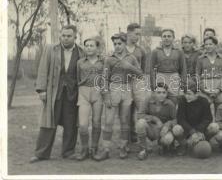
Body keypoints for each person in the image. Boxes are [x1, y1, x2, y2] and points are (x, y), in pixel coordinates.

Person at [30, 25, 84, 163]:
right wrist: (41, 90)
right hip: (54, 92)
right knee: (48, 122)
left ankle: (68, 151)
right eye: (63, 35)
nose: (65, 38)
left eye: (69, 36)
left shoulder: (81, 52)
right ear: (60, 36)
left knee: (71, 123)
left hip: (73, 94)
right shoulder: (50, 49)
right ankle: (41, 153)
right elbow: (43, 69)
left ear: (75, 37)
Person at [94, 33, 143, 161]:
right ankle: (106, 149)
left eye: (119, 43)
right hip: (113, 88)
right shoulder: (109, 59)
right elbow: (104, 78)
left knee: (125, 121)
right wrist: (106, 95)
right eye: (115, 44)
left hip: (127, 89)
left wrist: (130, 67)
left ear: (125, 43)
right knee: (109, 121)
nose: (117, 46)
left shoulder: (131, 58)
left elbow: (140, 74)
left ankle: (123, 147)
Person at [136, 82, 183, 160]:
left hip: (163, 130)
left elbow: (175, 119)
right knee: (140, 123)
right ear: (154, 93)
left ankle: (164, 145)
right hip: (151, 128)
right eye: (158, 92)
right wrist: (155, 119)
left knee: (168, 139)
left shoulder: (170, 104)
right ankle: (143, 149)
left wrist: (167, 125)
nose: (161, 95)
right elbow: (139, 115)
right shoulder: (147, 100)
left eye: (164, 93)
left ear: (167, 94)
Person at [75, 37, 104, 161]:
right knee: (83, 124)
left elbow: (106, 77)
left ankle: (94, 149)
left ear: (97, 48)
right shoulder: (80, 62)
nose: (89, 48)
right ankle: (84, 149)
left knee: (96, 122)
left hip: (98, 92)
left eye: (92, 46)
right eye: (86, 46)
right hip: (84, 92)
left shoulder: (103, 62)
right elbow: (77, 78)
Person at [125, 23, 149, 143]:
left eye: (139, 34)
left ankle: (142, 136)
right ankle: (129, 137)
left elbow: (143, 69)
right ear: (128, 33)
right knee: (126, 110)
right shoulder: (121, 47)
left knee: (141, 108)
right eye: (136, 34)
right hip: (124, 83)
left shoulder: (141, 51)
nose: (138, 37)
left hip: (137, 82)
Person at [150, 29, 187, 104]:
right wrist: (153, 85)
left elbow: (183, 69)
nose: (166, 38)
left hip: (174, 77)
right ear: (161, 38)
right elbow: (152, 69)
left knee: (174, 100)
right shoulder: (156, 51)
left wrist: (182, 85)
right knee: (160, 101)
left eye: (169, 36)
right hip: (161, 77)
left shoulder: (179, 51)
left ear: (173, 38)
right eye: (164, 36)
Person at [176, 80, 213, 154]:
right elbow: (180, 119)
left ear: (197, 94)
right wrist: (192, 131)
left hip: (200, 128)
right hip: (187, 128)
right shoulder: (182, 101)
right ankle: (183, 144)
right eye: (185, 94)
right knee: (177, 129)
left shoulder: (204, 101)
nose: (187, 96)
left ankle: (204, 142)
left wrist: (199, 130)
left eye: (189, 94)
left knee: (214, 127)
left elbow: (208, 118)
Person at [196, 36, 222, 120]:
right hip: (205, 88)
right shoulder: (201, 59)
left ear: (215, 45)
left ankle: (220, 130)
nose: (208, 46)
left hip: (219, 87)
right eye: (206, 44)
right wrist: (204, 89)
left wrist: (220, 89)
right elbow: (197, 75)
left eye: (210, 44)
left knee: (221, 110)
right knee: (205, 111)